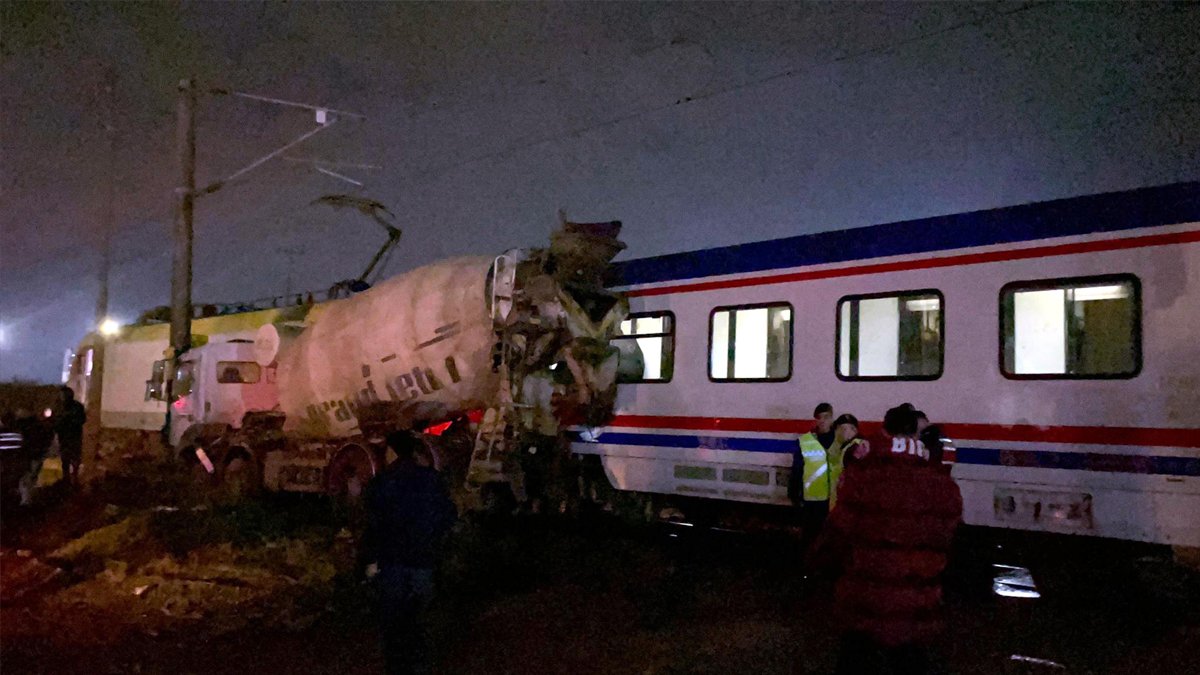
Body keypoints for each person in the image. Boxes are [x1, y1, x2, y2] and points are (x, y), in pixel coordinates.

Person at [813, 405, 962, 674]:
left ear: (885, 432)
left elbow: (837, 534)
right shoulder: (941, 484)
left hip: (864, 603)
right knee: (909, 661)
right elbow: (948, 540)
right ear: (916, 435)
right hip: (915, 605)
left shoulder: (862, 475)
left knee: (856, 661)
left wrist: (823, 565)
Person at [361, 431, 458, 675]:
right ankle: (419, 664)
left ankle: (397, 666)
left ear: (392, 452)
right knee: (419, 619)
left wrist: (369, 560)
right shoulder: (432, 480)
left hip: (392, 561)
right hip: (423, 559)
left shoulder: (381, 482)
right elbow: (447, 516)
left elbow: (373, 524)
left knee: (394, 620)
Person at [791, 402, 836, 549]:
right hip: (812, 499)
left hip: (833, 498)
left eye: (826, 417)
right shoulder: (805, 441)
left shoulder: (839, 440)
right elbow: (797, 469)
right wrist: (794, 493)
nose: (822, 421)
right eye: (819, 417)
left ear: (832, 419)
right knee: (811, 539)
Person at [13, 407, 54, 505]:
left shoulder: (23, 427)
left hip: (29, 455)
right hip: (36, 455)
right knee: (31, 477)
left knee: (26, 477)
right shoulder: (39, 427)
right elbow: (47, 438)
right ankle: (27, 498)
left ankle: (26, 500)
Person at [53, 386, 87, 488]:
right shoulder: (59, 406)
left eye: (63, 395)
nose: (62, 397)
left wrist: (69, 420)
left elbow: (82, 420)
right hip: (63, 436)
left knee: (75, 458)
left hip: (74, 436)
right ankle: (66, 479)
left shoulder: (77, 407)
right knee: (65, 459)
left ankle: (75, 478)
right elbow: (55, 419)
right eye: (61, 395)